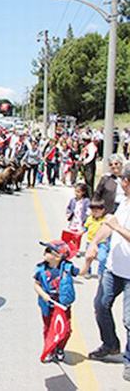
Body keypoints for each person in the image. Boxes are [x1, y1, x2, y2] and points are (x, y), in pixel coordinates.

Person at [83, 161, 130, 382]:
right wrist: (93, 243)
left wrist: (119, 228)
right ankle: (110, 344)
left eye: (124, 181)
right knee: (101, 305)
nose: (122, 184)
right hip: (113, 268)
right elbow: (107, 226)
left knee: (129, 319)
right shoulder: (124, 204)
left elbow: (116, 227)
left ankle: (129, 360)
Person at [34, 240, 79, 362]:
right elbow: (36, 285)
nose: (45, 252)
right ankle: (49, 349)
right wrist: (43, 295)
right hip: (48, 305)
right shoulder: (41, 269)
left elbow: (82, 272)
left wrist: (89, 260)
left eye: (49, 251)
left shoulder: (67, 268)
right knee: (49, 328)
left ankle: (60, 348)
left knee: (66, 329)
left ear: (58, 257)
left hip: (63, 305)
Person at [82, 199, 107, 276]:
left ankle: (101, 272)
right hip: (90, 241)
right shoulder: (89, 218)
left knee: (102, 258)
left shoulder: (105, 220)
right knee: (89, 257)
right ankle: (88, 271)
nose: (94, 213)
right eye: (92, 211)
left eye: (96, 211)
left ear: (102, 210)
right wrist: (79, 233)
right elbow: (85, 228)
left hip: (102, 242)